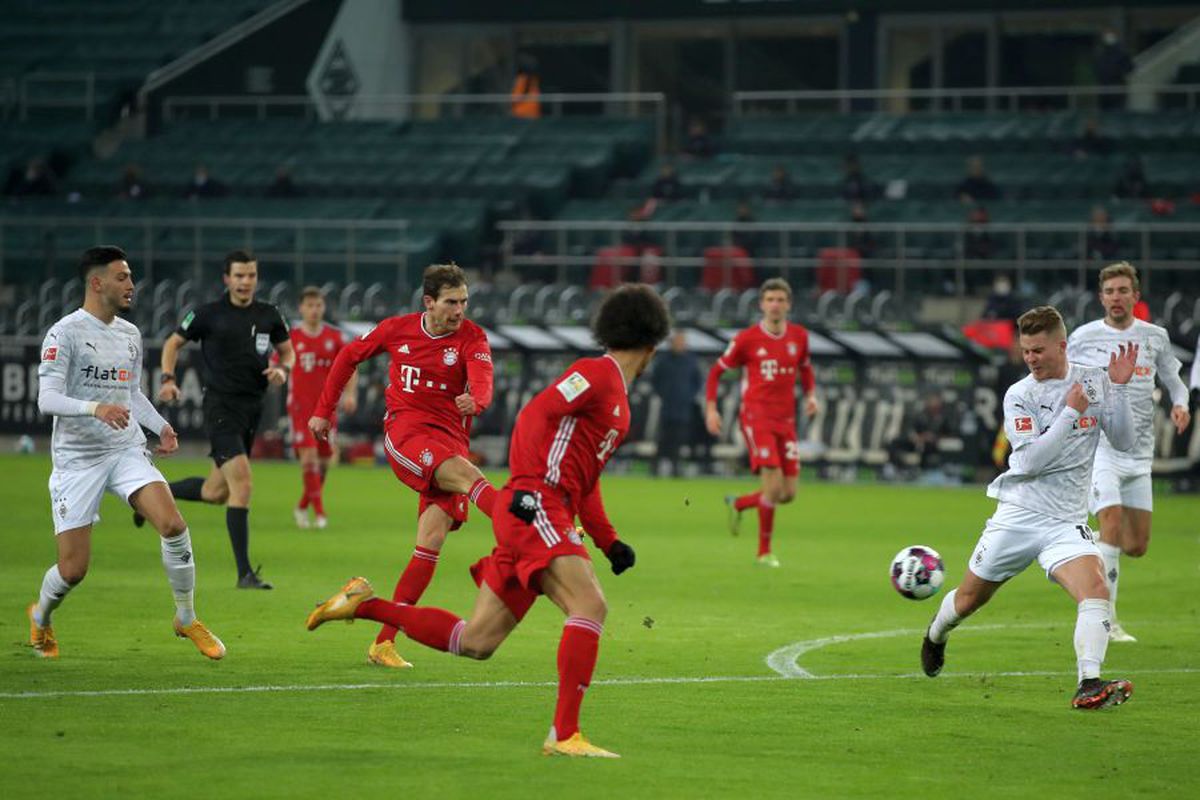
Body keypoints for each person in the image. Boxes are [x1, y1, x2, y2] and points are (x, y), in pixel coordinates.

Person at [305, 284, 672, 758]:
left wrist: (609, 541)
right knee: (590, 605)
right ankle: (565, 735)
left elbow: (588, 478)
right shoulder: (595, 374)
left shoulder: (616, 394)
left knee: (475, 641)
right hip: (537, 504)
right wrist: (526, 487)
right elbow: (535, 415)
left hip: (543, 506)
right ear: (651, 343)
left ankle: (364, 605)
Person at [921, 305, 1138, 710]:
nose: (1031, 359)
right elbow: (1032, 462)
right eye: (1025, 351)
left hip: (1066, 520)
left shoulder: (1093, 381)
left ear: (1062, 346)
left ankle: (1088, 683)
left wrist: (1121, 390)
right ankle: (936, 633)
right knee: (969, 599)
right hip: (1019, 515)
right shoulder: (1020, 394)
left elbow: (1124, 442)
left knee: (1096, 589)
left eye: (1038, 350)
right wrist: (1071, 411)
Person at [28, 246, 223, 660]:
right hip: (78, 459)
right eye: (122, 277)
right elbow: (47, 398)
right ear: (96, 283)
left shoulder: (130, 334)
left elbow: (130, 393)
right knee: (73, 570)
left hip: (124, 448)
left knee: (173, 524)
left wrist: (161, 426)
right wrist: (95, 408)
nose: (131, 284)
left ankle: (186, 617)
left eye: (131, 276)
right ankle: (41, 615)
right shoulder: (65, 333)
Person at [308, 263, 499, 670]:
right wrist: (325, 410)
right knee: (471, 478)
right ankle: (530, 529)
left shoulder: (473, 337)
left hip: (450, 443)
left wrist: (477, 401)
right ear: (429, 302)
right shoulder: (397, 329)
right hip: (407, 434)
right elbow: (348, 356)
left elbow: (483, 378)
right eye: (451, 302)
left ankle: (382, 640)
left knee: (430, 544)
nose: (460, 310)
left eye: (464, 301)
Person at [140, 250, 294, 589]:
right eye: (239, 275)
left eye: (251, 275)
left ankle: (150, 497)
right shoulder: (208, 314)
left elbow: (287, 350)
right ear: (227, 278)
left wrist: (283, 369)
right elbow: (172, 344)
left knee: (215, 492)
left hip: (252, 409)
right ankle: (245, 574)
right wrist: (168, 378)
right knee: (244, 485)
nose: (245, 281)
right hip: (220, 408)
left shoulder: (269, 314)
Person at [1066, 262, 1190, 642]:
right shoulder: (1084, 338)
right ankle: (1107, 621)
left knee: (1135, 545)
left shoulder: (1155, 337)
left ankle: (1086, 545)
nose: (1115, 297)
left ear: (1135, 296)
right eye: (1109, 292)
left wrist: (1181, 404)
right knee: (1112, 522)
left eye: (1122, 291)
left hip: (1139, 455)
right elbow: (1064, 382)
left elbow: (1175, 381)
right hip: (1099, 448)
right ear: (1101, 297)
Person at [705, 278, 818, 567]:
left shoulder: (799, 336)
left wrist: (811, 396)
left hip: (786, 420)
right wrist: (711, 409)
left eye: (780, 300)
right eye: (770, 300)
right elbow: (716, 372)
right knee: (773, 487)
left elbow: (805, 369)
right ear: (761, 305)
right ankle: (763, 552)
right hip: (756, 418)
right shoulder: (746, 339)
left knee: (788, 493)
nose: (775, 305)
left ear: (788, 304)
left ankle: (739, 503)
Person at [288, 287, 357, 529]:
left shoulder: (334, 337)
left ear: (323, 307)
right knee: (309, 458)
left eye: (318, 305)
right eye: (309, 305)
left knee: (325, 462)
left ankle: (302, 506)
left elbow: (350, 366)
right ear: (301, 308)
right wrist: (276, 371)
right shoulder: (291, 338)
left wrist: (350, 393)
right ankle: (319, 513)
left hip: (327, 408)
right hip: (300, 408)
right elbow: (279, 361)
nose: (314, 310)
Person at [650, 330, 703, 477]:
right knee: (663, 438)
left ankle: (676, 467)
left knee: (680, 439)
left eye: (682, 342)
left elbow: (698, 382)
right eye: (677, 341)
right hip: (667, 406)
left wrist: (689, 396)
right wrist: (663, 394)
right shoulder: (663, 360)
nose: (680, 344)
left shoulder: (691, 360)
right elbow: (655, 380)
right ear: (671, 343)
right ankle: (656, 467)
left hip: (684, 407)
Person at [510, 53, 541, 120]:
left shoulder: (524, 79)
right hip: (527, 114)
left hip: (523, 114)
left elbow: (515, 98)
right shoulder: (531, 80)